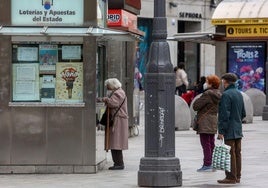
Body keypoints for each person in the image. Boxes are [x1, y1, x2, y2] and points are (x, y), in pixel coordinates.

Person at [217, 73, 246, 184]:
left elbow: (224, 115)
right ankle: (238, 176)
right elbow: (243, 113)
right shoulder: (239, 94)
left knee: (229, 152)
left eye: (223, 81)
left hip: (229, 128)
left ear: (226, 82)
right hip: (238, 128)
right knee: (237, 153)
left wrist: (221, 131)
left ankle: (230, 177)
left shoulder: (226, 94)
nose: (222, 83)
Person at [97, 78, 129, 170]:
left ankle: (119, 164)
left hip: (118, 121)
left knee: (116, 143)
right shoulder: (119, 92)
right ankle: (118, 163)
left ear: (112, 85)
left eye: (108, 86)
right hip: (118, 120)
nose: (107, 88)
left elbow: (113, 103)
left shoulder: (118, 93)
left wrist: (105, 99)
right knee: (115, 142)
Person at [193, 75, 221, 172]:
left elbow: (195, 106)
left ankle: (207, 164)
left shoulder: (207, 94)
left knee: (205, 143)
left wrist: (200, 97)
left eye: (207, 82)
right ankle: (212, 163)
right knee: (211, 142)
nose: (206, 83)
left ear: (211, 84)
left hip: (205, 121)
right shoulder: (218, 93)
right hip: (213, 120)